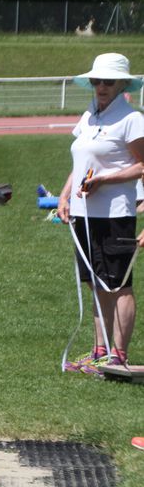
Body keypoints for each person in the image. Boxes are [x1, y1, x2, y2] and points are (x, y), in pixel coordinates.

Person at [58, 53, 144, 373]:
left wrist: (106, 179)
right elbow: (80, 164)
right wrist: (65, 196)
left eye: (108, 81)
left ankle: (118, 355)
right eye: (97, 81)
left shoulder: (131, 119)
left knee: (118, 284)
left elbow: (142, 166)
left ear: (123, 83)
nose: (102, 86)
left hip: (115, 214)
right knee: (95, 283)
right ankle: (99, 352)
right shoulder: (89, 117)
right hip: (83, 213)